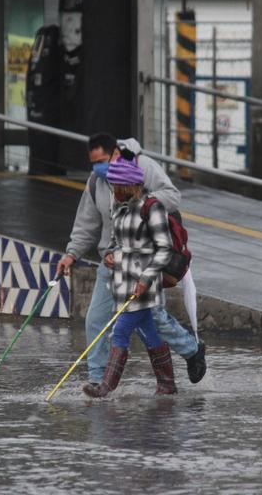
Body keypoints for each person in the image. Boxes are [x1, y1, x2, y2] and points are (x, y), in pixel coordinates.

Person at [57, 133, 207, 392]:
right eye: (94, 164)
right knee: (99, 320)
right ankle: (101, 379)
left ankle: (189, 352)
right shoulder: (99, 184)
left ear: (116, 153)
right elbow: (88, 225)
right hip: (115, 267)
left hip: (144, 267)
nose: (99, 170)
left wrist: (142, 203)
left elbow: (172, 199)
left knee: (147, 323)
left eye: (102, 161)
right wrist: (74, 254)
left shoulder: (144, 172)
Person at [84, 157, 177, 397]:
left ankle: (106, 386)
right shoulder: (118, 208)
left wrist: (146, 278)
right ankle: (167, 384)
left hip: (145, 284)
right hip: (124, 284)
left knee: (120, 331)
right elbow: (115, 243)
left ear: (126, 186)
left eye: (115, 186)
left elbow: (164, 248)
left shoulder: (152, 207)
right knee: (151, 334)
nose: (112, 190)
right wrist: (110, 256)